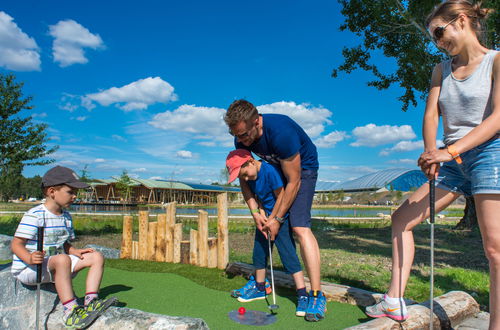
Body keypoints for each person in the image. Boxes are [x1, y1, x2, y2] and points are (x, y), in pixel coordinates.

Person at [365, 0, 499, 326]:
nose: (438, 42)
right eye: (433, 38)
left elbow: (497, 118)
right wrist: (430, 153)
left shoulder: (495, 61)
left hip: (489, 155)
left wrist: (448, 153)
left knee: (495, 249)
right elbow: (431, 114)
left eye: (440, 32)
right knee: (401, 219)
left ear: (462, 20)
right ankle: (393, 300)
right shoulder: (442, 69)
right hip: (450, 161)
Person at [224, 100, 326, 321]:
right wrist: (256, 213)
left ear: (256, 121)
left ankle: (316, 294)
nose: (240, 140)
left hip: (303, 169)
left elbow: (294, 181)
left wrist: (277, 218)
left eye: (243, 135)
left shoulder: (281, 132)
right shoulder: (241, 136)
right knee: (265, 229)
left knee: (299, 227)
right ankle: (260, 285)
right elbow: (244, 180)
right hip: (279, 169)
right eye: (236, 135)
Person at [10, 166, 116, 329]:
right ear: (52, 191)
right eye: (70, 192)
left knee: (96, 256)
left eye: (76, 193)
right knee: (62, 260)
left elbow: (63, 243)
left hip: (57, 265)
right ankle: (70, 311)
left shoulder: (66, 217)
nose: (75, 196)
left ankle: (91, 301)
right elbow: (16, 244)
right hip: (31, 269)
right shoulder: (35, 215)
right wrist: (29, 257)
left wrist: (74, 251)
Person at [226, 149, 309, 317]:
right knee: (259, 253)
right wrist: (261, 214)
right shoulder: (248, 176)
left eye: (246, 174)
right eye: (243, 177)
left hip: (280, 218)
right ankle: (259, 287)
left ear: (250, 161)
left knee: (288, 255)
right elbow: (258, 197)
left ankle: (302, 293)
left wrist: (273, 220)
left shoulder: (269, 171)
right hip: (266, 218)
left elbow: (281, 196)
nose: (246, 179)